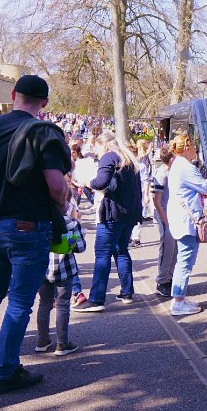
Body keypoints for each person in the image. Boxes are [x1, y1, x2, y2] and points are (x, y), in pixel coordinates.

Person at [0, 75, 71, 394]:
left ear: (13, 95)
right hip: (29, 226)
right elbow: (57, 185)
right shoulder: (44, 132)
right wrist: (62, 206)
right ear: (44, 103)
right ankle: (5, 371)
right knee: (19, 300)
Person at [73, 132, 142, 312]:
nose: (95, 150)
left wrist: (88, 182)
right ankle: (127, 292)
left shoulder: (109, 157)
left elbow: (101, 182)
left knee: (102, 254)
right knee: (121, 251)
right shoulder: (128, 158)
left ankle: (96, 299)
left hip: (113, 214)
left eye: (96, 146)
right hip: (129, 214)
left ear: (103, 145)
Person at [166, 134, 207, 316]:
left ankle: (179, 298)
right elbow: (206, 188)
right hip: (186, 220)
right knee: (185, 261)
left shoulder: (177, 165)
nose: (196, 149)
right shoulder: (186, 167)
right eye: (194, 146)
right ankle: (178, 302)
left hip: (179, 217)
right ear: (187, 148)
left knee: (183, 259)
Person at [35, 192, 85, 357]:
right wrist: (69, 242)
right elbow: (80, 247)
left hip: (42, 269)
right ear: (65, 204)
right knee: (63, 305)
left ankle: (42, 341)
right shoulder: (70, 223)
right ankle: (62, 344)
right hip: (65, 269)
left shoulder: (40, 223)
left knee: (44, 304)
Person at [152, 146, 177, 297]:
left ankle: (170, 277)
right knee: (167, 247)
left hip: (173, 213)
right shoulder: (162, 173)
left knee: (174, 248)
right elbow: (157, 201)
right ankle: (162, 281)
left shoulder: (173, 171)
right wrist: (165, 221)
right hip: (164, 214)